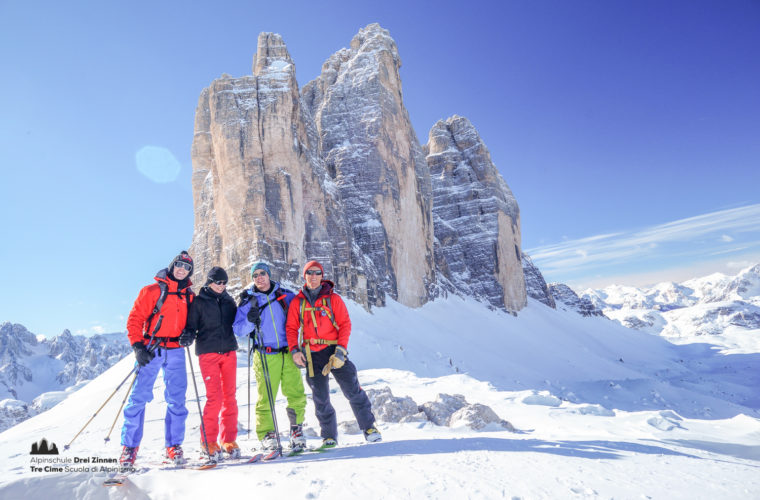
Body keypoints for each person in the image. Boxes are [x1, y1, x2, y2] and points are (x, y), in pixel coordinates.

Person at [285, 260, 382, 447]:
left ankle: (369, 428)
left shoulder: (333, 299)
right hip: (312, 355)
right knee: (320, 397)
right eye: (309, 273)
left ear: (322, 276)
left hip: (334, 351)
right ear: (304, 276)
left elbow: (345, 324)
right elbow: (291, 328)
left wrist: (341, 350)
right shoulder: (298, 302)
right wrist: (295, 351)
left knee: (352, 389)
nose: (313, 277)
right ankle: (329, 436)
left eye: (317, 273)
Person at [119, 251, 195, 466]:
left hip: (176, 350)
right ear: (172, 266)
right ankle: (129, 448)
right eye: (179, 265)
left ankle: (173, 446)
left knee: (177, 400)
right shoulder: (152, 290)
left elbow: (193, 321)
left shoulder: (190, 296)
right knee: (138, 398)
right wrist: (137, 346)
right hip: (151, 348)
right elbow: (135, 319)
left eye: (187, 267)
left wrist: (190, 332)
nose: (182, 269)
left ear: (190, 272)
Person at [233, 262, 307, 451]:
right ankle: (267, 433)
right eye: (255, 275)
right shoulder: (248, 301)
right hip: (265, 355)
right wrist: (250, 320)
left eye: (262, 273)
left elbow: (302, 317)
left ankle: (296, 430)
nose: (259, 277)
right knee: (265, 397)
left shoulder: (285, 296)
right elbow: (239, 329)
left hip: (289, 353)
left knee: (295, 393)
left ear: (269, 275)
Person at [180, 266, 239, 460]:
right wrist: (188, 335)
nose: (221, 286)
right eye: (217, 282)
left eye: (224, 283)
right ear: (209, 281)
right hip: (208, 354)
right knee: (215, 398)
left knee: (230, 398)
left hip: (229, 353)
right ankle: (208, 441)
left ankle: (228, 440)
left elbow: (237, 324)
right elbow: (191, 325)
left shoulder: (230, 302)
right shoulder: (199, 302)